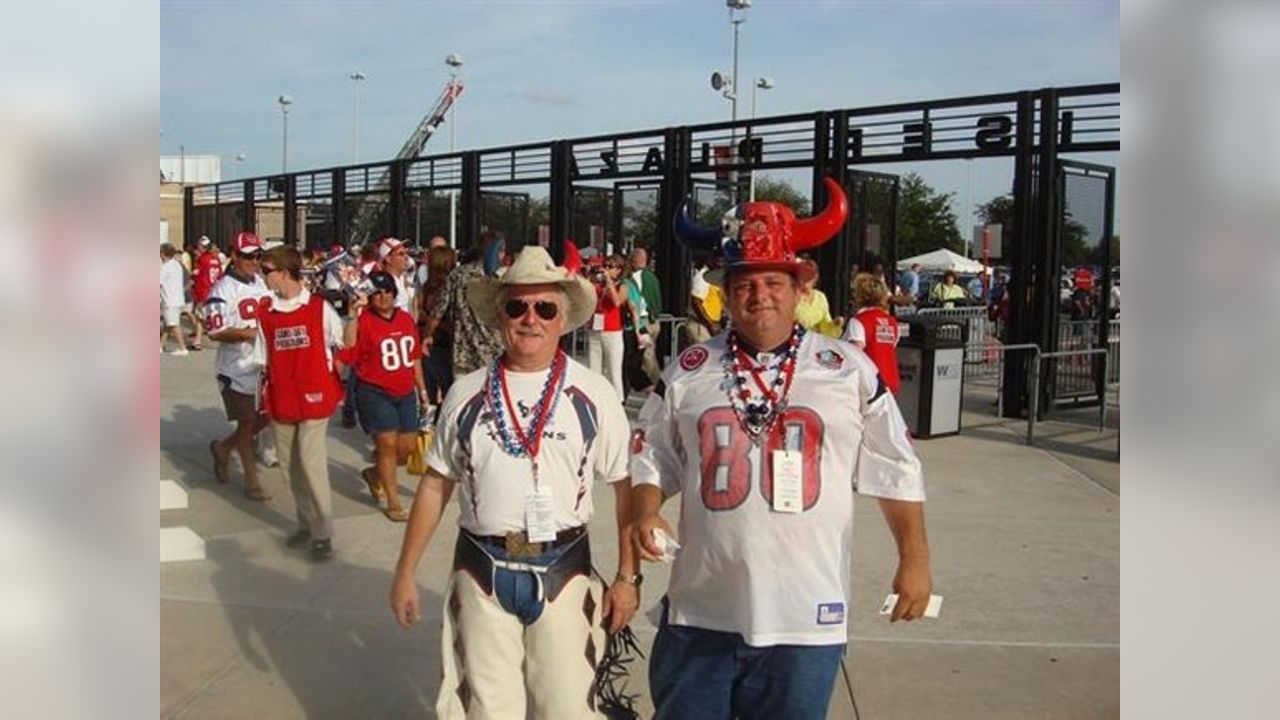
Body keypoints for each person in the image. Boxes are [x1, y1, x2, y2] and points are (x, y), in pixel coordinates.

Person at [632, 178, 931, 720]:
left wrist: (914, 560)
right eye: (745, 282)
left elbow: (896, 468)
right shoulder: (689, 371)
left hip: (805, 616)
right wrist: (649, 508)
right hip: (703, 610)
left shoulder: (848, 371)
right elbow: (652, 452)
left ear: (802, 288)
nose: (760, 294)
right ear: (726, 290)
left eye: (774, 280)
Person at [390, 245, 638, 720]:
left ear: (563, 318)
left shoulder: (594, 394)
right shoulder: (466, 393)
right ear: (499, 315)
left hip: (564, 567)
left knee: (567, 709)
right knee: (487, 711)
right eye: (516, 306)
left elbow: (624, 488)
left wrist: (627, 578)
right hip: (481, 569)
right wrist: (405, 572)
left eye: (544, 307)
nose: (530, 319)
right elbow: (435, 485)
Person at [253, 246, 347, 559]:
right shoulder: (266, 313)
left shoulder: (319, 307)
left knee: (311, 462)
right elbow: (261, 359)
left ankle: (323, 533)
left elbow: (341, 341)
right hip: (283, 399)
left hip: (316, 397)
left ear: (283, 271)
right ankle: (306, 522)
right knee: (290, 468)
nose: (262, 276)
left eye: (267, 270)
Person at [345, 270, 428, 522]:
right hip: (374, 391)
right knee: (387, 445)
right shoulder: (364, 320)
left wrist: (422, 391)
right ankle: (393, 501)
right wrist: (353, 316)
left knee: (407, 448)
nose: (382, 297)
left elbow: (414, 358)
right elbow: (349, 348)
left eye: (387, 291)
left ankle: (375, 474)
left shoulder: (404, 319)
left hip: (405, 391)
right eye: (376, 293)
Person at [205, 231, 274, 501]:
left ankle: (223, 448)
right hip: (235, 368)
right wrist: (249, 334)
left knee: (266, 417)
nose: (254, 261)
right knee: (246, 422)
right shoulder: (222, 289)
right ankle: (251, 480)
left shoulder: (262, 283)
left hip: (263, 366)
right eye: (248, 256)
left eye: (258, 255)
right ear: (234, 256)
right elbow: (215, 331)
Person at [421, 229, 506, 377]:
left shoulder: (457, 275)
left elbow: (438, 312)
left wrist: (427, 335)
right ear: (499, 252)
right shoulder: (502, 278)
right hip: (496, 356)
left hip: (463, 357)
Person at [843, 272, 903, 394]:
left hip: (868, 385)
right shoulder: (892, 322)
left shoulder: (859, 321)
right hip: (890, 382)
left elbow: (854, 354)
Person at [418, 245, 458, 419]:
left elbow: (420, 313)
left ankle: (427, 433)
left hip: (426, 346)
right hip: (443, 344)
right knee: (451, 392)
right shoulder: (448, 287)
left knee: (428, 395)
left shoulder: (427, 288)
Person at [586, 253, 630, 398]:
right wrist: (589, 276)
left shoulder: (623, 286)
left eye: (610, 266)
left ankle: (618, 399)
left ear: (619, 270)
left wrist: (609, 281)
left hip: (612, 332)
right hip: (596, 329)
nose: (606, 268)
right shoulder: (598, 285)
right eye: (605, 265)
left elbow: (617, 302)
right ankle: (595, 398)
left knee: (613, 370)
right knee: (593, 368)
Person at [628, 246, 664, 371]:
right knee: (649, 352)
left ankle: (655, 383)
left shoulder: (635, 278)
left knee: (647, 356)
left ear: (634, 261)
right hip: (655, 321)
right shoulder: (653, 277)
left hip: (644, 322)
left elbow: (639, 301)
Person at [679, 255, 724, 350]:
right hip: (700, 325)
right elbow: (696, 301)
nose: (721, 261)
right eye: (717, 258)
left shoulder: (716, 278)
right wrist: (709, 323)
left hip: (709, 325)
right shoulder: (702, 277)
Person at [792, 258, 842, 335]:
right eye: (803, 276)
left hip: (815, 343)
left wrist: (835, 324)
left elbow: (825, 328)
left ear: (815, 278)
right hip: (795, 342)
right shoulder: (792, 296)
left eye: (809, 277)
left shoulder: (820, 297)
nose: (805, 280)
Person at [191, 236, 223, 351]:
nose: (197, 248)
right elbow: (220, 276)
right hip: (213, 290)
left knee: (203, 317)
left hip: (203, 291)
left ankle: (217, 334)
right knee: (201, 317)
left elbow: (196, 275)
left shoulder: (202, 259)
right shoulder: (216, 259)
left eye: (199, 245)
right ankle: (197, 340)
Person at [160, 243, 190, 356]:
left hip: (169, 299)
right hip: (177, 298)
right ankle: (160, 346)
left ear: (162, 254)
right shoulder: (177, 264)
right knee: (168, 324)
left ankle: (182, 348)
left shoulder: (165, 267)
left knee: (173, 324)